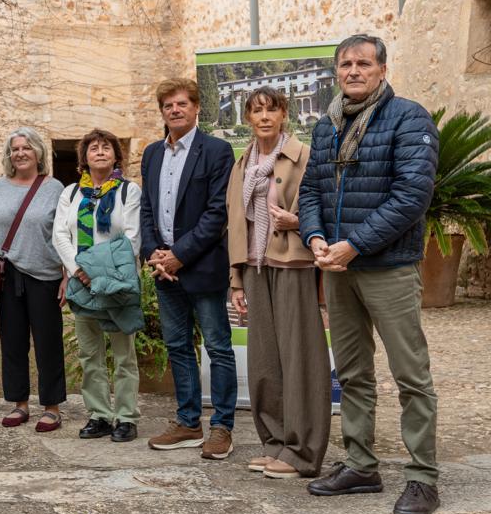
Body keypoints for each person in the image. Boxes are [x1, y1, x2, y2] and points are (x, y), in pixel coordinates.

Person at [299, 34, 441, 514]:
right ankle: (361, 464)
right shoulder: (326, 126)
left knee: (410, 375)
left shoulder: (409, 118)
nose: (353, 71)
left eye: (363, 63)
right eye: (345, 64)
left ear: (382, 69)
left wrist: (354, 244)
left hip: (389, 268)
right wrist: (316, 239)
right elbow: (312, 191)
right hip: (337, 268)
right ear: (336, 72)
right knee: (354, 373)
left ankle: (423, 477)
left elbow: (411, 197)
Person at [226, 88, 330, 480]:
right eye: (256, 110)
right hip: (254, 267)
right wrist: (236, 279)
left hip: (293, 264)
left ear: (284, 114)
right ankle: (276, 444)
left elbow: (322, 204)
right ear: (248, 117)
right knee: (264, 361)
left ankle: (303, 452)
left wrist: (299, 222)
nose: (264, 116)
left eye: (272, 109)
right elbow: (235, 223)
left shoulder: (302, 155)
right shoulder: (242, 164)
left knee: (300, 358)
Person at [139, 78, 237, 458]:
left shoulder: (216, 151)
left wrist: (179, 254)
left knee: (217, 346)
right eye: (168, 106)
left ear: (196, 108)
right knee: (178, 346)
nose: (175, 110)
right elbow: (147, 209)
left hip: (201, 266)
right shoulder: (151, 154)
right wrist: (154, 254)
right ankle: (187, 422)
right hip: (164, 270)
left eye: (182, 104)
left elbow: (217, 213)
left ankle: (222, 427)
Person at [0, 127, 66, 432]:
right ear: (9, 155)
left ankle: (51, 406)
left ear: (38, 153)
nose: (20, 153)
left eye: (26, 148)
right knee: (12, 342)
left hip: (45, 275)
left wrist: (66, 276)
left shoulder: (55, 188)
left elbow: (65, 235)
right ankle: (19, 403)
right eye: (15, 149)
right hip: (6, 275)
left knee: (48, 342)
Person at [52, 129, 143, 442]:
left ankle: (127, 417)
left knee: (123, 355)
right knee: (90, 355)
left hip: (116, 283)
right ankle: (100, 415)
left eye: (107, 147)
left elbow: (131, 238)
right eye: (94, 147)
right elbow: (60, 235)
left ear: (116, 155)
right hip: (81, 283)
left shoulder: (128, 192)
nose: (100, 151)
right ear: (84, 157)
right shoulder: (71, 193)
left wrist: (100, 273)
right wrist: (79, 270)